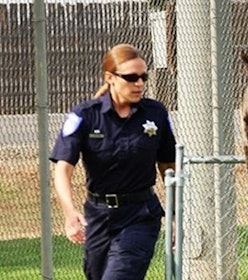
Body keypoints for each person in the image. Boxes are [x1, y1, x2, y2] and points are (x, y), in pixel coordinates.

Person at [50, 43, 176, 280]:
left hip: (140, 215)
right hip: (98, 217)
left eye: (143, 77)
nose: (139, 83)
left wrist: (175, 213)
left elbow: (169, 166)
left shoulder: (156, 113)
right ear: (110, 78)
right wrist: (69, 213)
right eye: (131, 77)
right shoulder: (84, 115)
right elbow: (62, 170)